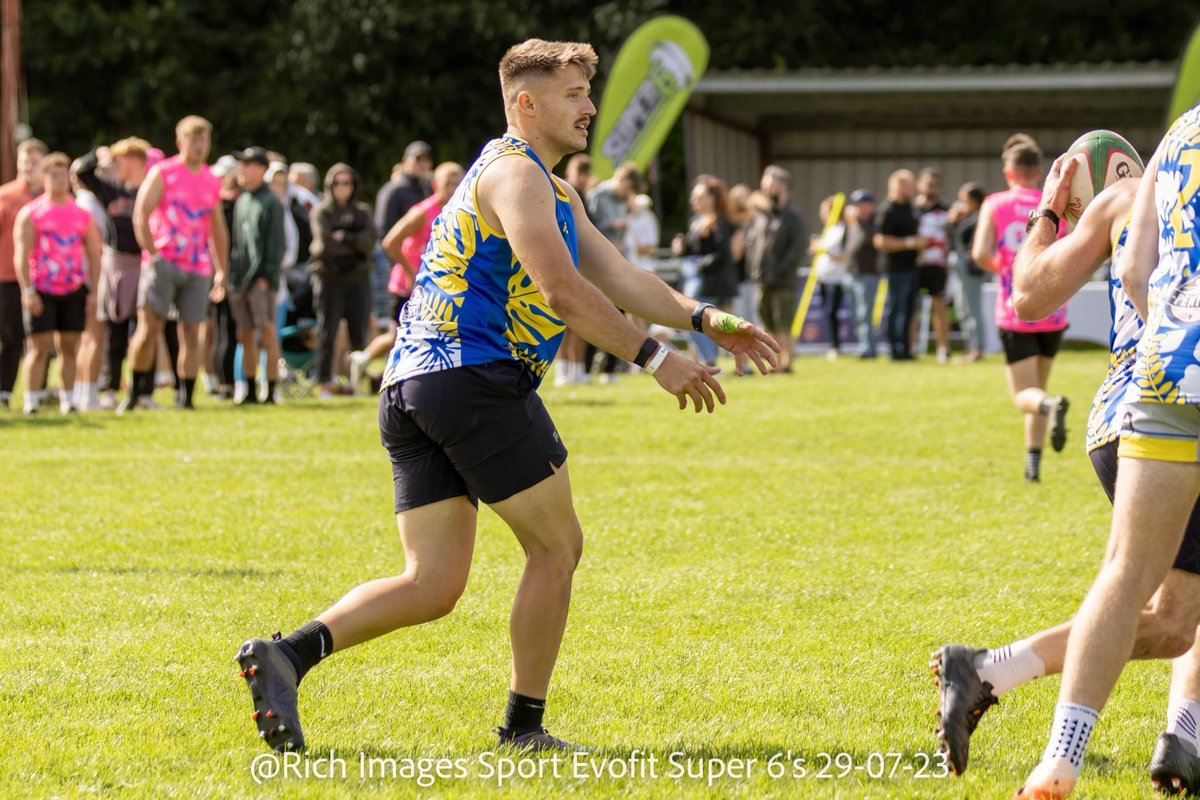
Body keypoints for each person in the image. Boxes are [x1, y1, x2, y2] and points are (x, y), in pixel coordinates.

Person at [235, 38, 780, 755]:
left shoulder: (552, 189)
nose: (588, 107)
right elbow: (563, 290)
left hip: (414, 386)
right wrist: (655, 357)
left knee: (432, 584)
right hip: (474, 378)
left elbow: (619, 276)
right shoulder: (515, 176)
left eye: (588, 92)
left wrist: (707, 320)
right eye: (573, 95)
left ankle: (288, 656)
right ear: (526, 102)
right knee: (558, 547)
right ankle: (524, 727)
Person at [932, 170, 1200, 791]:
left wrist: (1048, 219)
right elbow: (1031, 295)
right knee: (1164, 612)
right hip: (1166, 409)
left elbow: (1036, 290)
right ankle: (990, 671)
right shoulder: (1136, 195)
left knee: (1175, 606)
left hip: (1131, 410)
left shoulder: (1135, 194)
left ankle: (1182, 740)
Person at [1013, 104, 1200, 798]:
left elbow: (1133, 273)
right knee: (1178, 614)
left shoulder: (1178, 138)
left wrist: (1175, 335)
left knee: (1126, 576)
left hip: (1165, 370)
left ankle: (1061, 757)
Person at [972, 134, 1068, 482]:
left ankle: (1051, 406)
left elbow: (980, 253)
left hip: (1017, 310)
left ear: (1008, 171)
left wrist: (1010, 268)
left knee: (1025, 396)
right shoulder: (1054, 203)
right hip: (1055, 311)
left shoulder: (995, 203)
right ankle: (1032, 468)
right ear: (1038, 170)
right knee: (1038, 385)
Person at [122, 115, 228, 411]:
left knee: (193, 332)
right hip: (165, 261)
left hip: (198, 267)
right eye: (193, 140)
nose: (199, 146)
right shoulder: (163, 172)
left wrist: (222, 271)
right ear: (180, 142)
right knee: (149, 327)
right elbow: (141, 214)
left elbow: (217, 229)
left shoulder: (210, 179)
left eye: (204, 140)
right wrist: (153, 255)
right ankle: (136, 392)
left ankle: (187, 397)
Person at [350, 161, 465, 392]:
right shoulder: (422, 212)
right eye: (447, 183)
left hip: (437, 287)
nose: (453, 187)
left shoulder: (460, 212)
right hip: (408, 285)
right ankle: (363, 361)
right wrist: (412, 271)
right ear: (434, 185)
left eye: (457, 182)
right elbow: (390, 242)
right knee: (399, 336)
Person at [13, 152, 103, 415]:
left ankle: (68, 399)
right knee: (39, 347)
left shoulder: (81, 214)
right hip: (42, 287)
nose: (59, 180)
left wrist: (94, 291)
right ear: (44, 178)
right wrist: (27, 290)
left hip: (73, 287)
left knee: (70, 347)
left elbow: (93, 254)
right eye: (53, 175)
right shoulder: (32, 212)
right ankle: (32, 400)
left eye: (63, 175)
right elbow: (21, 254)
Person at [74, 138, 151, 409]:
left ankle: (144, 391)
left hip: (147, 262)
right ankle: (110, 387)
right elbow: (82, 172)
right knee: (115, 329)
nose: (117, 165)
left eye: (121, 159)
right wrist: (98, 154)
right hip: (119, 264)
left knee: (148, 328)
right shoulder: (112, 190)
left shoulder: (151, 188)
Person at [308, 163, 375, 398]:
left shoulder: (363, 212)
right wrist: (353, 243)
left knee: (360, 332)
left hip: (357, 277)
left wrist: (344, 237)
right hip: (329, 278)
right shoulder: (322, 212)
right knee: (328, 329)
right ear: (329, 185)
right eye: (337, 183)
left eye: (347, 182)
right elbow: (324, 245)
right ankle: (324, 380)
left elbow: (368, 243)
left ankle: (357, 381)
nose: (342, 188)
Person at [229, 147, 286, 405]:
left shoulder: (271, 202)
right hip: (240, 279)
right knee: (245, 333)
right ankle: (250, 389)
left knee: (267, 332)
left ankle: (271, 390)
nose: (242, 168)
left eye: (248, 164)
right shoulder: (242, 200)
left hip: (261, 280)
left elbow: (276, 244)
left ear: (262, 169)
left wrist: (267, 277)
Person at [745, 165, 806, 372]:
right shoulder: (761, 216)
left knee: (783, 323)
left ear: (782, 187)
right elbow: (753, 244)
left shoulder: (793, 217)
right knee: (767, 323)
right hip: (761, 280)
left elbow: (797, 249)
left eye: (769, 184)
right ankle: (773, 363)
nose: (764, 188)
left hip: (783, 281)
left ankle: (787, 363)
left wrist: (779, 271)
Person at [0, 137, 45, 410]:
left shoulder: (51, 199)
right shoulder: (5, 196)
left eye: (34, 162)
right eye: (24, 161)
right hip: (6, 276)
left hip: (42, 279)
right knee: (9, 336)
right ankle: (4, 390)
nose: (29, 167)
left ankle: (23, 392)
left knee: (33, 339)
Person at [674, 176, 736, 367]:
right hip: (694, 280)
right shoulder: (695, 222)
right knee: (696, 322)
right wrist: (681, 247)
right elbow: (691, 251)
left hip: (711, 282)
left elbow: (723, 254)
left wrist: (699, 264)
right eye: (693, 197)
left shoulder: (721, 223)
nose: (694, 201)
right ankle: (709, 360)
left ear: (712, 198)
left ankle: (712, 360)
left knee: (695, 320)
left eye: (699, 197)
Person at [875, 169, 926, 361]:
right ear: (898, 186)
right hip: (895, 269)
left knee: (910, 311)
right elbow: (880, 241)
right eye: (909, 185)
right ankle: (894, 350)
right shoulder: (887, 209)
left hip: (912, 267)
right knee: (897, 310)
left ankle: (906, 349)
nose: (913, 189)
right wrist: (911, 243)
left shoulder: (911, 208)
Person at [553, 152, 593, 385]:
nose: (583, 178)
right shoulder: (559, 192)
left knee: (580, 321)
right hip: (564, 261)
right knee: (563, 320)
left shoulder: (586, 197)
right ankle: (563, 371)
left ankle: (577, 370)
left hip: (581, 263)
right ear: (569, 172)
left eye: (586, 174)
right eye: (580, 173)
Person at [914, 168, 952, 362]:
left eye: (934, 183)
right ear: (919, 184)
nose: (930, 186)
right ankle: (910, 347)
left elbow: (950, 237)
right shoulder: (913, 209)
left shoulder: (945, 210)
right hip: (915, 265)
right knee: (913, 307)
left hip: (938, 264)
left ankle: (943, 349)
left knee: (939, 307)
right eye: (927, 182)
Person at [947, 182, 987, 363]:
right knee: (962, 309)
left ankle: (977, 348)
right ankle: (970, 347)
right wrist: (953, 222)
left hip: (972, 269)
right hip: (960, 268)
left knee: (972, 309)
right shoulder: (966, 217)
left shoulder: (980, 218)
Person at [811, 194, 851, 360]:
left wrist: (824, 250)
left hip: (837, 278)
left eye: (824, 210)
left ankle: (836, 346)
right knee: (827, 312)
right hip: (823, 277)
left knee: (832, 311)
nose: (822, 213)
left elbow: (844, 255)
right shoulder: (827, 230)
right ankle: (831, 344)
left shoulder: (844, 229)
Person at [843, 188, 879, 358]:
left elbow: (871, 240)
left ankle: (869, 348)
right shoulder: (851, 224)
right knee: (857, 315)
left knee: (866, 314)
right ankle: (863, 345)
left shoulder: (874, 223)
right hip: (851, 273)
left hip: (867, 274)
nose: (858, 208)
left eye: (862, 204)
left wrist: (859, 222)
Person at [375, 141, 433, 238]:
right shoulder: (392, 190)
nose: (423, 164)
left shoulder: (430, 188)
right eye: (418, 159)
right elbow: (383, 230)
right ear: (405, 160)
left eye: (427, 159)